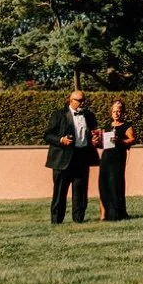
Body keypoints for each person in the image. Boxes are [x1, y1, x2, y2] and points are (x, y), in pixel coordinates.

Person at [43, 88, 99, 224]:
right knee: (60, 192)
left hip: (82, 157)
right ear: (70, 100)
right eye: (79, 101)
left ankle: (79, 219)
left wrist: (94, 140)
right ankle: (56, 221)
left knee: (80, 192)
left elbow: (93, 133)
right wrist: (61, 140)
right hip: (63, 159)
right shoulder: (59, 115)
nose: (82, 103)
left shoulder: (89, 115)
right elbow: (47, 135)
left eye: (84, 100)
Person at [96, 98, 135, 221]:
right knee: (103, 184)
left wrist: (120, 141)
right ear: (111, 112)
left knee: (115, 184)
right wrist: (96, 142)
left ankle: (117, 214)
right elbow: (103, 144)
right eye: (114, 111)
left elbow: (132, 139)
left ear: (122, 112)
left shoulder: (127, 126)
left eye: (119, 111)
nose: (116, 114)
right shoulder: (107, 126)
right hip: (106, 158)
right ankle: (103, 215)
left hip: (118, 158)